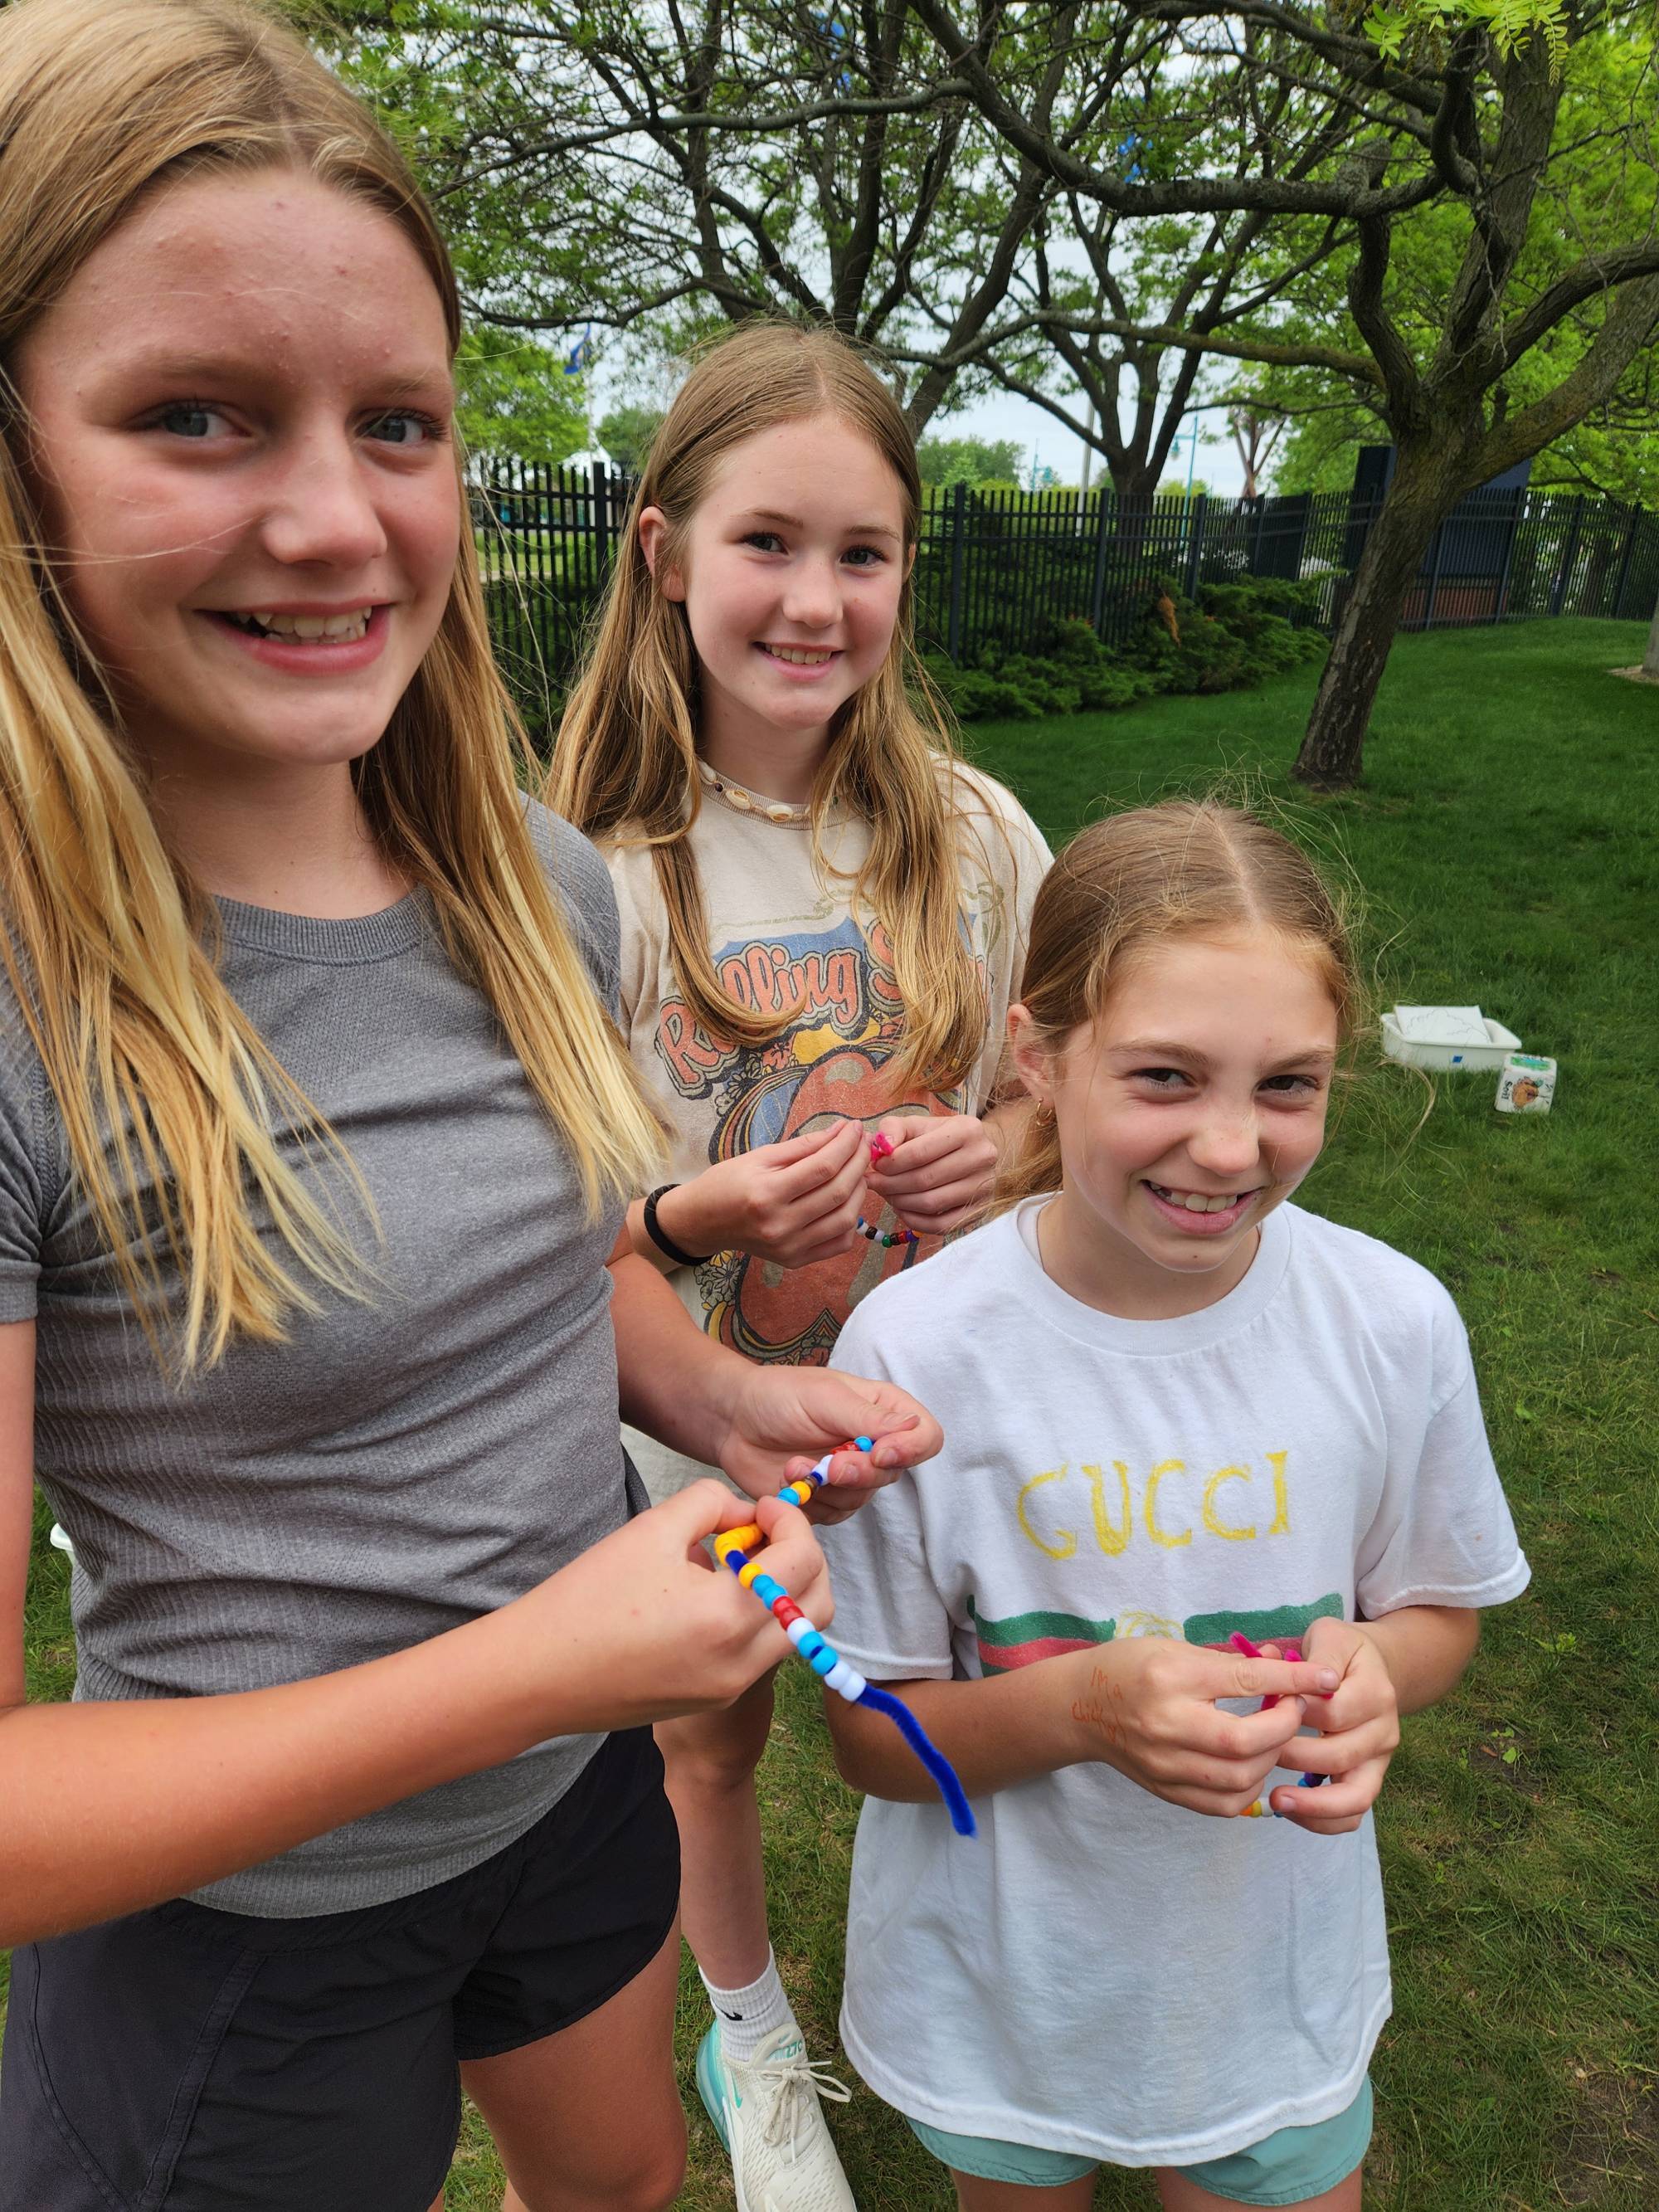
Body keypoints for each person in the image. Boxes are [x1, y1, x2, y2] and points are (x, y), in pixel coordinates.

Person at [0, 7, 944, 2210]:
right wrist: (546, 1653)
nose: (336, 519)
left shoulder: (531, 877)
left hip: (570, 1806)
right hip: (240, 1940)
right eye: (198, 415)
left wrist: (712, 1394)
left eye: (398, 421)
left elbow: (569, 1247)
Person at [820, 801, 1532, 2212]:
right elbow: (872, 1736)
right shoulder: (915, 1350)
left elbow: (1437, 1612)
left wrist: (1375, 1669)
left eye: (1287, 1086)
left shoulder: (1391, 1321)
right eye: (1163, 1075)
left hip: (1272, 1994)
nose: (1225, 1146)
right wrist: (1084, 1707)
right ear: (1038, 1053)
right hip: (1007, 1994)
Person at [548, 322, 1050, 2212]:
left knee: (972, 1697)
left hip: (948, 1407)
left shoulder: (980, 838)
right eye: (769, 544)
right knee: (715, 1724)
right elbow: (545, 1238)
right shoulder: (587, 870)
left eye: (864, 553)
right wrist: (702, 1216)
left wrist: (996, 1146)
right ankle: (752, 2035)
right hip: (700, 1410)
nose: (815, 600)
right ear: (664, 553)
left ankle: (1009, 2004)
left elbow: (1073, 1099)